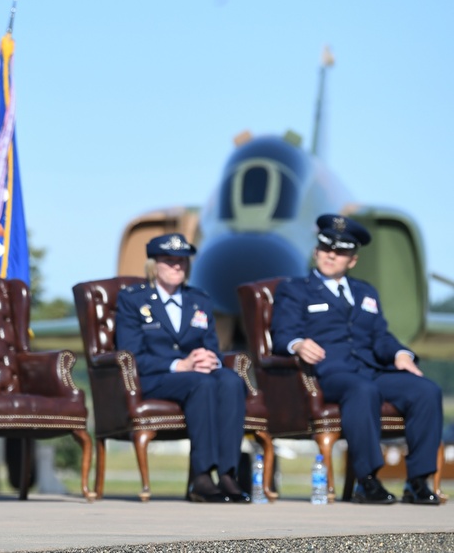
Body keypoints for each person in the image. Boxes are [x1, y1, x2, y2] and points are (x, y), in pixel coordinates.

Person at [271, 214, 443, 505]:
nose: (331, 255)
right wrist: (298, 344)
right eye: (326, 249)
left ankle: (417, 480)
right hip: (332, 371)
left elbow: (381, 337)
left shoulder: (366, 292)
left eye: (340, 252)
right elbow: (282, 333)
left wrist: (401, 354)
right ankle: (367, 480)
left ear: (352, 260)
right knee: (363, 390)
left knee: (426, 390)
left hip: (371, 368)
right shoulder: (295, 289)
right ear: (316, 252)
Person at [115, 233, 249, 503]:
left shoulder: (199, 299)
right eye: (169, 261)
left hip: (197, 374)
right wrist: (181, 364)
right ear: (154, 264)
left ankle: (228, 473)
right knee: (202, 383)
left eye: (182, 261)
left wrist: (210, 359)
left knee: (231, 380)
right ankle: (201, 476)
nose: (177, 266)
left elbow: (211, 344)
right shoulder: (133, 300)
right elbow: (132, 355)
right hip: (156, 377)